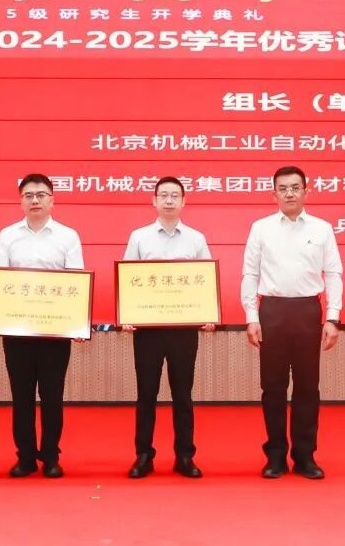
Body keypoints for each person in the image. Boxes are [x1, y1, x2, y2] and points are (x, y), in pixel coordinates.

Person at [242, 165, 343, 480]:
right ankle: (275, 456)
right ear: (273, 194)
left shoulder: (322, 229)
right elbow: (250, 274)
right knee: (272, 387)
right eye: (283, 188)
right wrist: (251, 317)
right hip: (272, 310)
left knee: (307, 387)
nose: (289, 193)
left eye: (295, 188)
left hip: (307, 311)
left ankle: (305, 456)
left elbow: (333, 274)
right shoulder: (261, 228)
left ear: (306, 191)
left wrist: (333, 317)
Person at [0, 173, 84, 478]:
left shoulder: (67, 236)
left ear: (52, 199)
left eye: (41, 194)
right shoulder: (8, 236)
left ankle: (51, 456)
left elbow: (76, 282)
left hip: (55, 332)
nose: (35, 200)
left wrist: (77, 323)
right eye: (28, 195)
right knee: (22, 396)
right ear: (21, 201)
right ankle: (26, 457)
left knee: (53, 395)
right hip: (17, 330)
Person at [122, 177, 214, 479]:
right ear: (154, 200)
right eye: (164, 195)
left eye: (175, 195)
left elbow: (204, 281)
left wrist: (207, 313)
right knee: (146, 394)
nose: (169, 200)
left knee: (183, 394)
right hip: (148, 330)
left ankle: (185, 456)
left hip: (183, 330)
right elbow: (128, 280)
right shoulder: (139, 237)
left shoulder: (196, 239)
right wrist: (128, 314)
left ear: (184, 201)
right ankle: (143, 456)